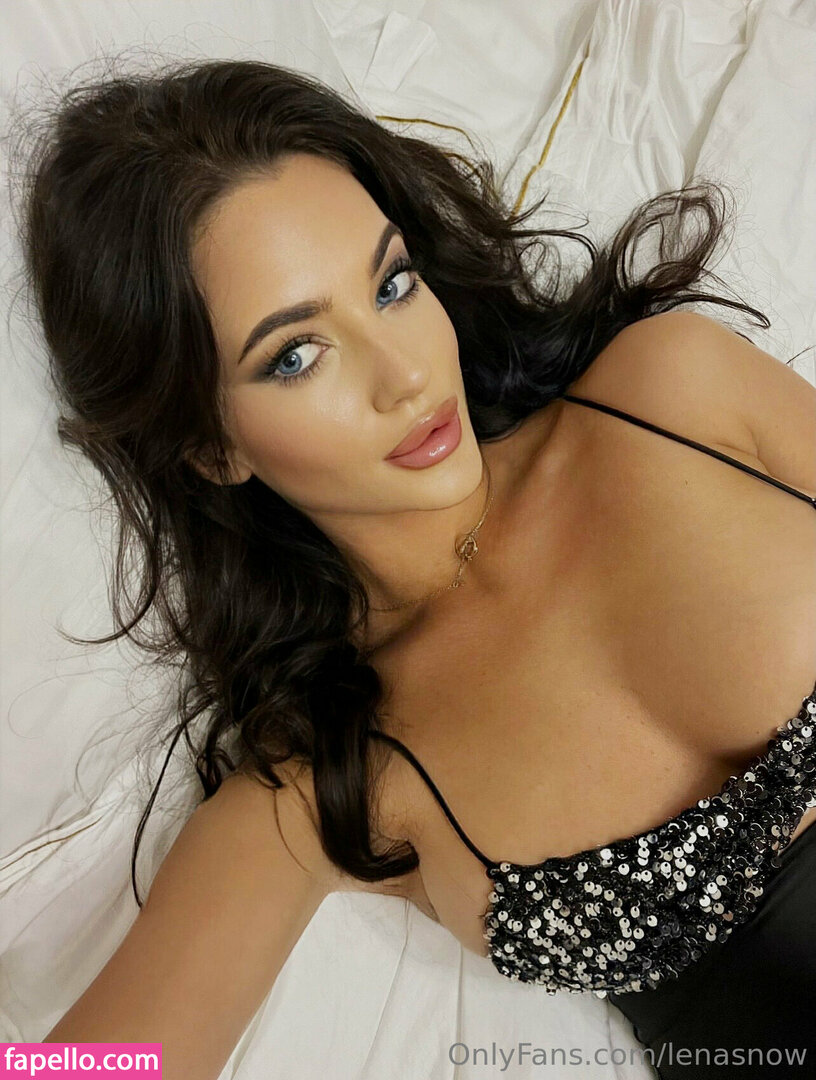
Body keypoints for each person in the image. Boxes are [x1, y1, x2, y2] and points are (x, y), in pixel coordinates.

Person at [12, 57, 815, 1080]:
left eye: (391, 285)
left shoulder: (672, 393)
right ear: (211, 449)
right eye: (295, 355)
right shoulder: (325, 781)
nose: (406, 376)